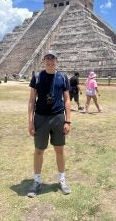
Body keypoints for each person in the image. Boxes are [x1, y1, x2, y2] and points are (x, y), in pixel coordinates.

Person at [27, 50, 71, 198]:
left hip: (58, 118)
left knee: (60, 150)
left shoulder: (63, 77)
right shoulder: (37, 77)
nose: (50, 61)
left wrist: (68, 120)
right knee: (39, 150)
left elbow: (67, 100)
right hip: (40, 118)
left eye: (52, 59)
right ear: (44, 61)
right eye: (47, 59)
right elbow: (32, 100)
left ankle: (62, 179)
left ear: (56, 60)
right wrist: (30, 121)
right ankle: (37, 181)